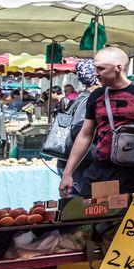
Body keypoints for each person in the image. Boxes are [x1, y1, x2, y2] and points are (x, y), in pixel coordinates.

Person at [59, 48, 134, 196]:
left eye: (101, 68)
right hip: (99, 170)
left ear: (118, 68)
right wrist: (67, 173)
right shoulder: (96, 95)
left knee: (121, 216)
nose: (96, 73)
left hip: (131, 173)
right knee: (91, 213)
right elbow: (85, 135)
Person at [54, 59, 100, 197]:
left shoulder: (80, 98)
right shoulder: (88, 99)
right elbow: (79, 129)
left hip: (71, 162)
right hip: (81, 164)